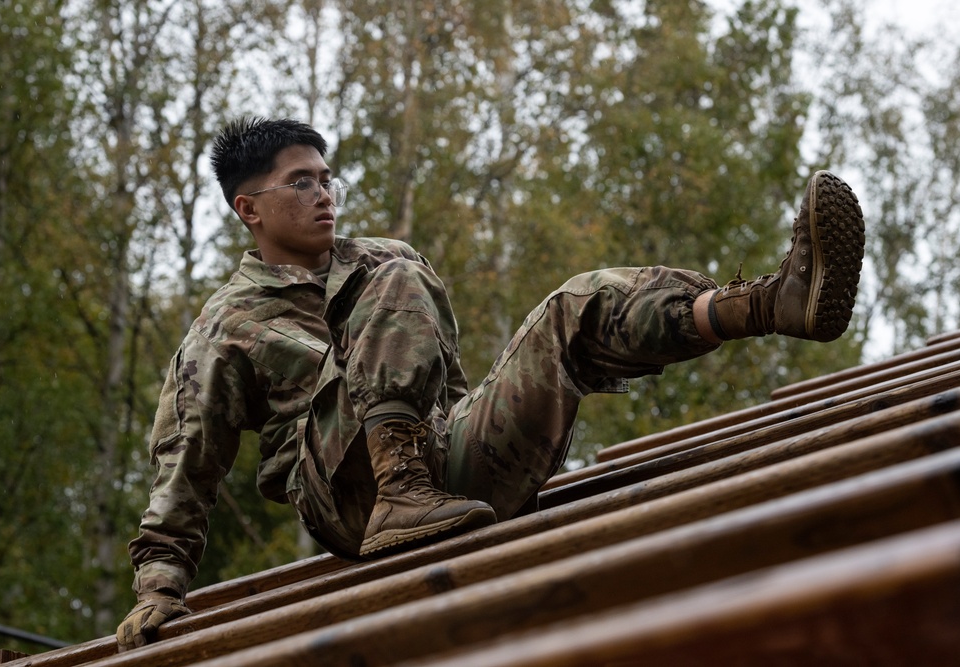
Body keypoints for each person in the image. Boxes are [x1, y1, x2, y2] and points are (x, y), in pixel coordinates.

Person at [115, 117, 865, 650]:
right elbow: (186, 461)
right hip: (351, 498)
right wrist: (159, 588)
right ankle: (401, 493)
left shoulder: (379, 260)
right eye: (300, 181)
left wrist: (499, 427)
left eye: (327, 176)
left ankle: (771, 302)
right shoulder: (226, 324)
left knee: (571, 306)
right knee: (393, 274)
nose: (324, 193)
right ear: (248, 209)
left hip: (444, 459)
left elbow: (445, 376)